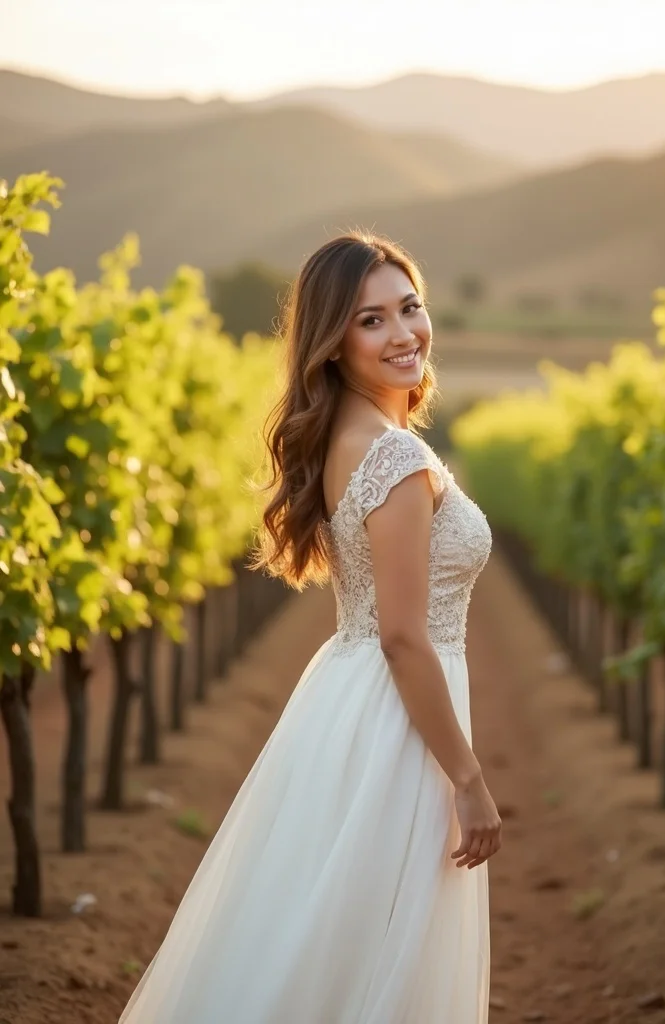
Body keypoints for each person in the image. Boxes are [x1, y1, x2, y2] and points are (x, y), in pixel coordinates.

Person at [118, 232, 501, 1023]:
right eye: (371, 321)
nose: (403, 334)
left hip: (357, 701)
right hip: (396, 721)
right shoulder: (392, 460)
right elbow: (403, 637)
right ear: (332, 345)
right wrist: (468, 779)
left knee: (334, 928)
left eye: (410, 307)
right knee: (371, 937)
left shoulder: (354, 441)